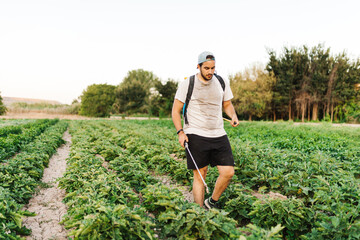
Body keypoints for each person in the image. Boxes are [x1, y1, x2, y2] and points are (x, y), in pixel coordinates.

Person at [172, 51, 239, 209]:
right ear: (199, 67)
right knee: (200, 174)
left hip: (218, 133)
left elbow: (227, 104)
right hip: (195, 132)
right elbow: (175, 110)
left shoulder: (221, 81)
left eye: (213, 68)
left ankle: (211, 202)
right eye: (207, 68)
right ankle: (198, 212)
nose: (210, 72)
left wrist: (233, 115)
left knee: (228, 172)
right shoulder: (188, 83)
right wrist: (180, 132)